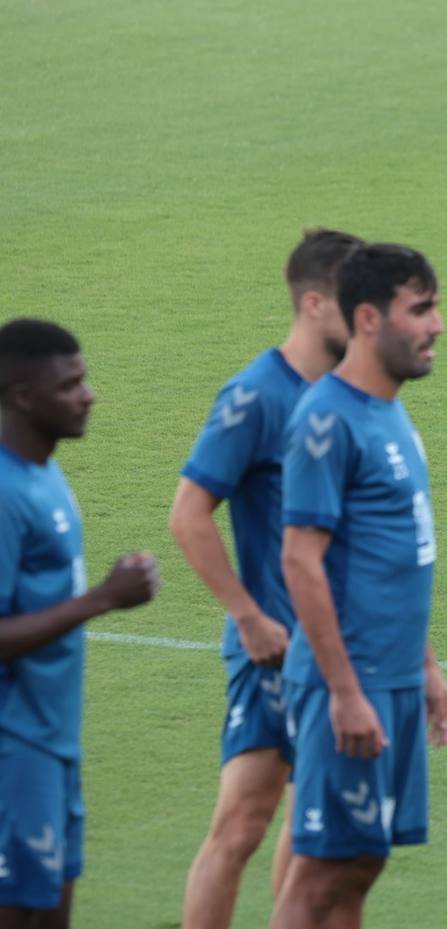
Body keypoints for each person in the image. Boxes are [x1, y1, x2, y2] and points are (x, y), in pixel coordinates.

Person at [173, 229, 363, 929]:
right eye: (357, 301)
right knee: (244, 824)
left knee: (314, 833)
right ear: (315, 303)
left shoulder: (351, 396)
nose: (371, 316)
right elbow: (189, 515)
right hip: (277, 647)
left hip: (338, 648)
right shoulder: (255, 396)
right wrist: (248, 615)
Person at [268, 243, 447, 929]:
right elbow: (300, 560)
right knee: (319, 877)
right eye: (422, 309)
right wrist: (345, 692)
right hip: (348, 683)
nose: (437, 325)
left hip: (395, 675)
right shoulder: (328, 418)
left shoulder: (392, 414)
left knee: (358, 866)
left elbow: (396, 557)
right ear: (370, 319)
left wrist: (427, 665)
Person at [0, 319, 160, 929]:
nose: (88, 394)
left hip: (53, 742)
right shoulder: (6, 493)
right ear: (22, 396)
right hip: (14, 747)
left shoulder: (45, 472)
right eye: (70, 385)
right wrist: (102, 600)